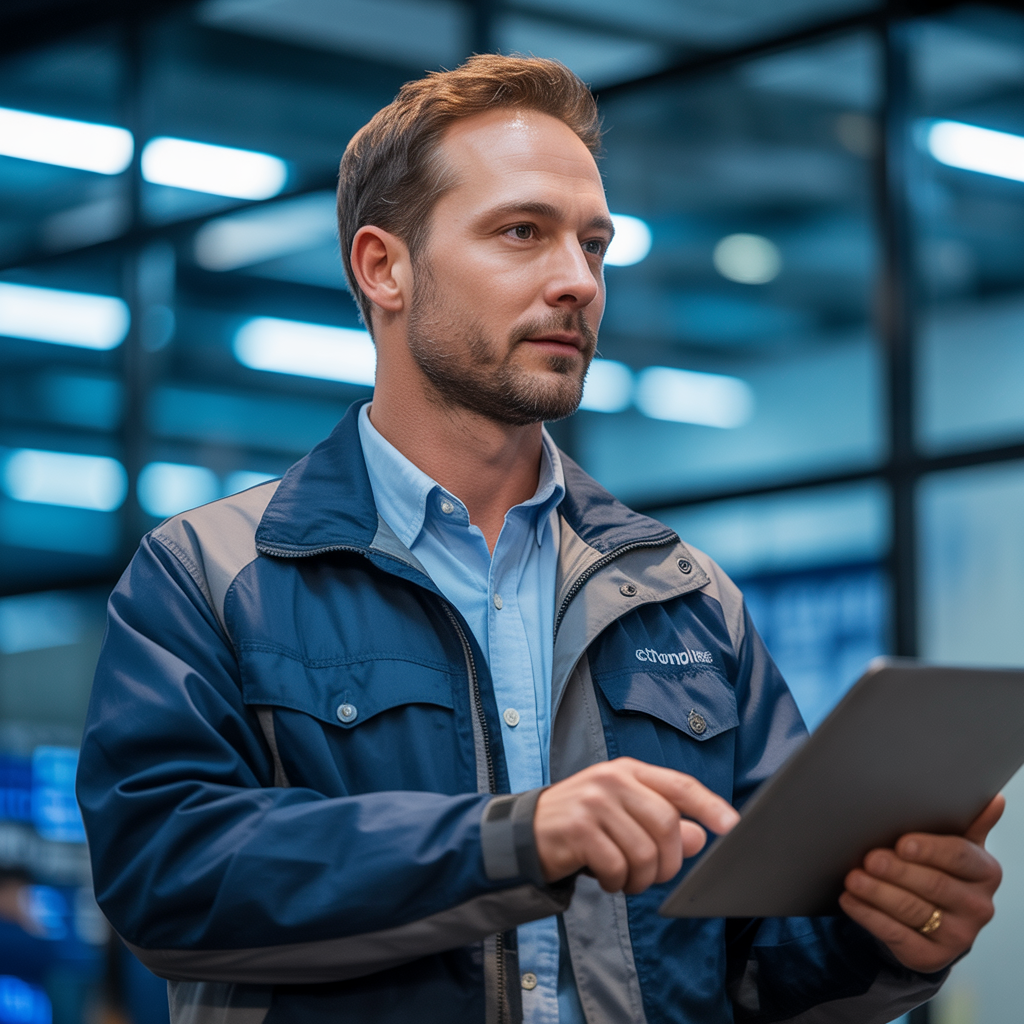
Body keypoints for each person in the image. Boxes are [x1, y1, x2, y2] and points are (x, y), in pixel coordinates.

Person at [77, 54, 1003, 1024]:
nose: (576, 281)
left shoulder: (681, 595)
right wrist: (515, 838)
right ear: (382, 267)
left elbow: (756, 961)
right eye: (522, 233)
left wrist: (889, 934)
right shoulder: (211, 574)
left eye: (594, 245)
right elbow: (167, 876)